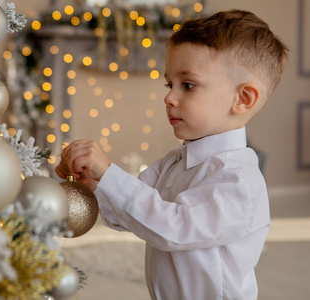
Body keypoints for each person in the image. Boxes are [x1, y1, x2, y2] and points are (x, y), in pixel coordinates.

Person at [55, 9, 288, 300]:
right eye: (170, 84)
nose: (169, 97)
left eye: (187, 85)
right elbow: (126, 216)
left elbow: (174, 228)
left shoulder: (238, 179)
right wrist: (94, 181)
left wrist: (110, 173)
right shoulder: (174, 163)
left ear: (242, 98)